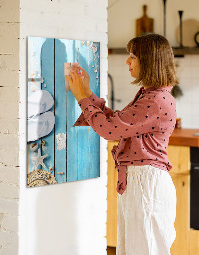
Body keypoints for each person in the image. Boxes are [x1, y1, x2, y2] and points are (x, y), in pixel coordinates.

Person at [65, 33, 178, 255]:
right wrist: (87, 93)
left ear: (149, 61)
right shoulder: (151, 95)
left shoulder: (155, 100)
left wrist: (81, 97)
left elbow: (109, 130)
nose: (127, 61)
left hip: (146, 184)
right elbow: (117, 122)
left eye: (133, 56)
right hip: (140, 182)